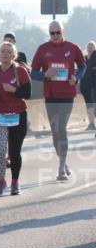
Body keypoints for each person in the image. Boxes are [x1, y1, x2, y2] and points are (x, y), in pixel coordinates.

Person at [30, 21, 87, 181]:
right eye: (52, 33)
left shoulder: (72, 47)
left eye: (58, 32)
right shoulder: (43, 49)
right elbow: (33, 73)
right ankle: (64, 163)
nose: (55, 36)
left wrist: (76, 79)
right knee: (55, 132)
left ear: (63, 31)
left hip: (67, 95)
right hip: (50, 95)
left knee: (61, 127)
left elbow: (83, 66)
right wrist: (45, 74)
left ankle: (61, 169)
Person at [0, 41, 31, 196]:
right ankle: (1, 181)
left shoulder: (21, 72)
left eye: (8, 51)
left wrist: (14, 90)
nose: (5, 54)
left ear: (14, 55)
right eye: (2, 51)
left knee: (14, 151)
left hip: (18, 115)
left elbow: (27, 93)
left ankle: (15, 182)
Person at [83, 40, 96, 131]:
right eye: (88, 47)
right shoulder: (84, 59)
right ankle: (91, 124)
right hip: (85, 84)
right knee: (89, 104)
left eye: (92, 46)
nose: (90, 48)